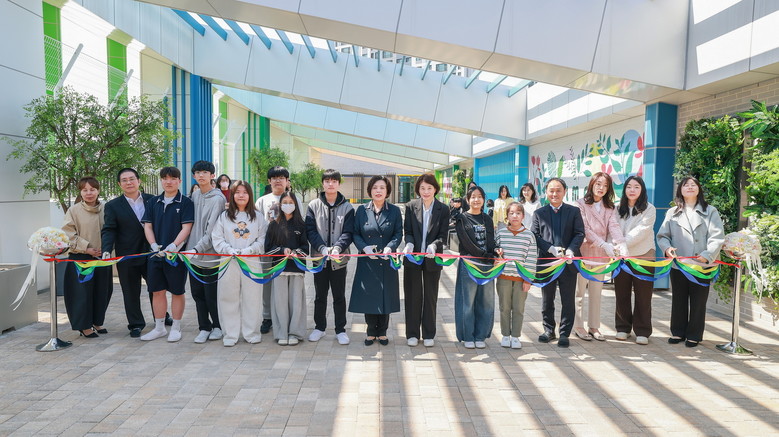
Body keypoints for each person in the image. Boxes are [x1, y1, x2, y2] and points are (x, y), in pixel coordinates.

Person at [101, 168, 170, 338]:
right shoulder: (112, 206)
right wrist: (107, 249)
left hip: (151, 253)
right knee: (130, 291)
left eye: (132, 179)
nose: (129, 182)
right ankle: (136, 324)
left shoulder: (153, 200)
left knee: (156, 287)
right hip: (127, 255)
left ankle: (161, 316)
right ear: (119, 184)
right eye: (124, 180)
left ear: (139, 181)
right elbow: (109, 229)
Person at [657, 177, 725, 348]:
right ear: (680, 189)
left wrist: (707, 255)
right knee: (678, 299)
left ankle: (694, 334)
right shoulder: (672, 212)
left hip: (701, 264)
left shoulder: (710, 211)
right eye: (685, 185)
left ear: (698, 189)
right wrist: (667, 249)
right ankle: (677, 332)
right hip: (679, 264)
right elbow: (663, 235)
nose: (689, 187)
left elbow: (717, 236)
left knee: (698, 301)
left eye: (693, 185)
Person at [139, 167, 194, 342]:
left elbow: (187, 227)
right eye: (165, 178)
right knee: (157, 291)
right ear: (161, 181)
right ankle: (159, 328)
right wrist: (153, 245)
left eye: (173, 178)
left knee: (177, 291)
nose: (168, 182)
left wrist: (174, 245)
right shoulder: (152, 202)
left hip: (175, 257)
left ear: (179, 181)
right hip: (155, 255)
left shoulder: (186, 202)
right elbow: (147, 226)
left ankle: (176, 327)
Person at [531, 178, 585, 348]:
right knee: (547, 299)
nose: (554, 194)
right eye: (551, 190)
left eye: (558, 190)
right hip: (547, 263)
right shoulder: (539, 213)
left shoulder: (573, 211)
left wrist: (571, 250)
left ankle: (564, 333)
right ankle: (548, 330)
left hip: (568, 263)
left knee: (568, 300)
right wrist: (549, 248)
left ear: (564, 192)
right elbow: (534, 236)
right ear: (546, 192)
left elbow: (579, 233)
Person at [211, 181, 266, 346]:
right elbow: (217, 238)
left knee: (253, 298)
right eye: (237, 192)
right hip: (229, 261)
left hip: (251, 261)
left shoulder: (258, 217)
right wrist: (229, 250)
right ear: (232, 195)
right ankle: (230, 334)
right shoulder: (224, 216)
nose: (241, 195)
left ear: (250, 195)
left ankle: (252, 333)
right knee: (227, 297)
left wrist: (249, 250)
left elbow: (263, 239)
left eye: (245, 192)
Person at [350, 175, 402, 346]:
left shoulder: (394, 211)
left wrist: (391, 247)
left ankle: (383, 332)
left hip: (386, 259)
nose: (378, 191)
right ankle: (371, 331)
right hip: (368, 260)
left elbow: (398, 233)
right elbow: (355, 233)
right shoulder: (362, 210)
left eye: (382, 188)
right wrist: (363, 247)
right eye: (375, 188)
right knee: (369, 295)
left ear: (387, 191)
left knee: (385, 295)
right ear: (370, 191)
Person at [573, 172, 626, 341]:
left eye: (605, 185)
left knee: (596, 293)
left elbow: (614, 226)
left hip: (600, 257)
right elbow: (584, 229)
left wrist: (621, 244)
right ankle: (578, 326)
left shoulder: (610, 207)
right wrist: (603, 244)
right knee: (579, 292)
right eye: (598, 184)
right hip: (582, 254)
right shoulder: (580, 204)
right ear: (592, 184)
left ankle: (594, 326)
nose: (601, 188)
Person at [305, 169, 354, 345]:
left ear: (339, 184)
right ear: (323, 183)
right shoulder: (313, 205)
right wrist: (322, 248)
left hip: (339, 260)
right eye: (327, 181)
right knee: (320, 295)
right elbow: (310, 230)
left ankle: (340, 330)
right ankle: (319, 327)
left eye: (334, 181)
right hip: (319, 259)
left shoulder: (347, 207)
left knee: (339, 295)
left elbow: (349, 232)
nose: (330, 184)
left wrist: (338, 248)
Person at [401, 173, 450, 347]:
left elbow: (443, 235)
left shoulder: (443, 209)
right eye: (422, 188)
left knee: (430, 296)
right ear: (418, 189)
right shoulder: (411, 206)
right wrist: (409, 244)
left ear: (435, 189)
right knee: (412, 296)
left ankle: (429, 333)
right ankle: (412, 333)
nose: (426, 191)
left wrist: (434, 246)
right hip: (413, 258)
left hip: (432, 258)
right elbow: (408, 231)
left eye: (429, 188)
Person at [180, 161, 226, 344]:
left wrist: (196, 249)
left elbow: (212, 231)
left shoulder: (218, 199)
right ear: (193, 176)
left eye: (205, 172)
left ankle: (217, 326)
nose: (201, 175)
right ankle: (204, 327)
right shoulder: (195, 195)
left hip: (210, 256)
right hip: (193, 256)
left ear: (212, 175)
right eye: (198, 172)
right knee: (197, 294)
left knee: (211, 294)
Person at [255, 166, 303, 335]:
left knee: (287, 287)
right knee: (267, 283)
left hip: (290, 252)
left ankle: (288, 319)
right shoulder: (262, 201)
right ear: (269, 181)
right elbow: (257, 224)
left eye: (281, 177)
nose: (278, 180)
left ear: (287, 181)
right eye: (274, 178)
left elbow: (300, 222)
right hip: (269, 249)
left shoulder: (295, 200)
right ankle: (267, 316)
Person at [62, 177, 112, 339]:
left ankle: (97, 321)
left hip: (103, 257)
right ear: (80, 192)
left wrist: (106, 248)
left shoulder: (107, 208)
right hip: (81, 258)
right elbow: (68, 235)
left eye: (92, 189)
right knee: (82, 294)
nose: (89, 193)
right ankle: (84, 326)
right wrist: (87, 248)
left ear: (98, 191)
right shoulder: (73, 211)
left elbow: (113, 230)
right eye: (85, 190)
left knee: (102, 291)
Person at [454, 185, 499, 349]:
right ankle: (468, 336)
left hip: (487, 266)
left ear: (484, 200)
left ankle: (480, 336)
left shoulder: (487, 218)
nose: (476, 199)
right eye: (473, 196)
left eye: (480, 196)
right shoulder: (462, 219)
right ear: (467, 200)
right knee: (468, 302)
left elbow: (491, 241)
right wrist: (487, 256)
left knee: (486, 302)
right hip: (469, 265)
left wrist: (496, 251)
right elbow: (467, 244)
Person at [614, 176, 656, 345]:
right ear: (624, 189)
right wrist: (616, 247)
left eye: (636, 187)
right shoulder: (617, 208)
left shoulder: (649, 209)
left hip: (643, 255)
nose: (632, 190)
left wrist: (621, 244)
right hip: (621, 258)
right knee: (621, 293)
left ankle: (643, 331)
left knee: (643, 295)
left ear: (642, 190)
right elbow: (612, 229)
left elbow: (642, 231)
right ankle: (622, 328)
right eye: (629, 186)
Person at [265, 191, 309, 345]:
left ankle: (295, 333)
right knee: (280, 303)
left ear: (295, 205)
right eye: (285, 202)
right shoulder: (273, 224)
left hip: (297, 270)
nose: (288, 205)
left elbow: (306, 248)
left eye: (291, 202)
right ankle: (281, 333)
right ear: (280, 205)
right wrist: (282, 250)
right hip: (279, 270)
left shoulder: (301, 225)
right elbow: (267, 249)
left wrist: (296, 253)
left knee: (296, 303)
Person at [495, 202, 537, 349]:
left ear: (523, 216)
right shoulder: (501, 233)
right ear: (507, 216)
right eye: (511, 213)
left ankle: (515, 336)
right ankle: (505, 335)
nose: (515, 216)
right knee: (504, 307)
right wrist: (497, 255)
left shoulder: (529, 235)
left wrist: (528, 279)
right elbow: (495, 251)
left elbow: (531, 258)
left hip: (521, 279)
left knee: (518, 308)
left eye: (518, 213)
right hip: (504, 277)